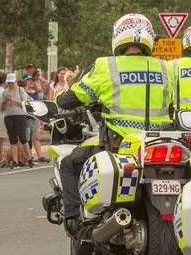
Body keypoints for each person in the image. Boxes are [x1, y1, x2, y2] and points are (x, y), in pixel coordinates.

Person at [55, 14, 173, 232]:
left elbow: (70, 99)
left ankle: (73, 220)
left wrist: (60, 98)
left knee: (68, 165)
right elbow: (174, 106)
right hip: (159, 144)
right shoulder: (165, 68)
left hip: (117, 145)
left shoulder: (106, 66)